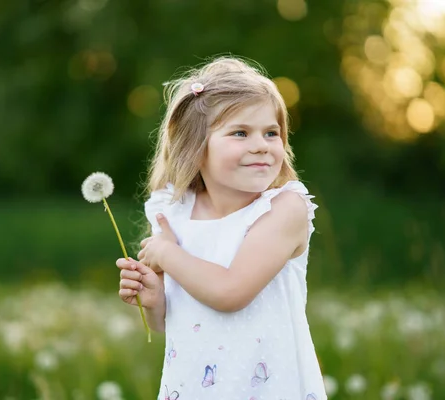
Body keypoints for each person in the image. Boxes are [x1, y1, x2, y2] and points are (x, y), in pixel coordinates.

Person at [116, 56, 327, 399]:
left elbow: (230, 293)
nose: (260, 144)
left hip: (268, 388)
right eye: (240, 133)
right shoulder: (174, 212)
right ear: (196, 149)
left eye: (271, 133)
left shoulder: (283, 210)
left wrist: (167, 254)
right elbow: (174, 324)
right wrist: (155, 301)